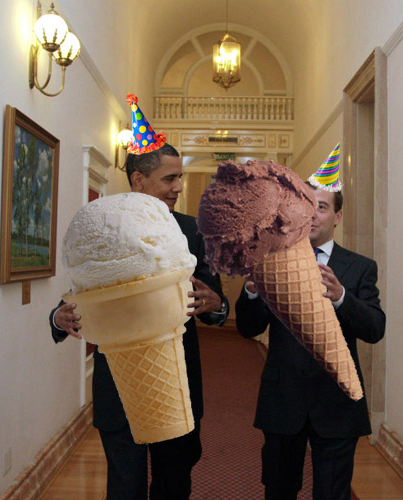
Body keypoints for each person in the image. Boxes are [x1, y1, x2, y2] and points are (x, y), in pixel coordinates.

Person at [50, 140, 229, 500]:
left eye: (180, 177)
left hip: (175, 381)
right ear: (138, 180)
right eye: (169, 178)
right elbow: (81, 291)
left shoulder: (194, 231)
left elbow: (214, 300)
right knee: (124, 487)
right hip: (118, 386)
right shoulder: (103, 227)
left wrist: (217, 304)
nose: (179, 187)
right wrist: (58, 317)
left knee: (173, 483)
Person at [235, 146, 385, 500]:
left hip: (337, 402)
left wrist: (342, 297)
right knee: (279, 490)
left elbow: (375, 328)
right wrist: (253, 291)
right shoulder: (271, 260)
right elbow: (248, 328)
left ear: (338, 216)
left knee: (332, 493)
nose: (312, 215)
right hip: (282, 399)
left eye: (322, 207)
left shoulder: (360, 267)